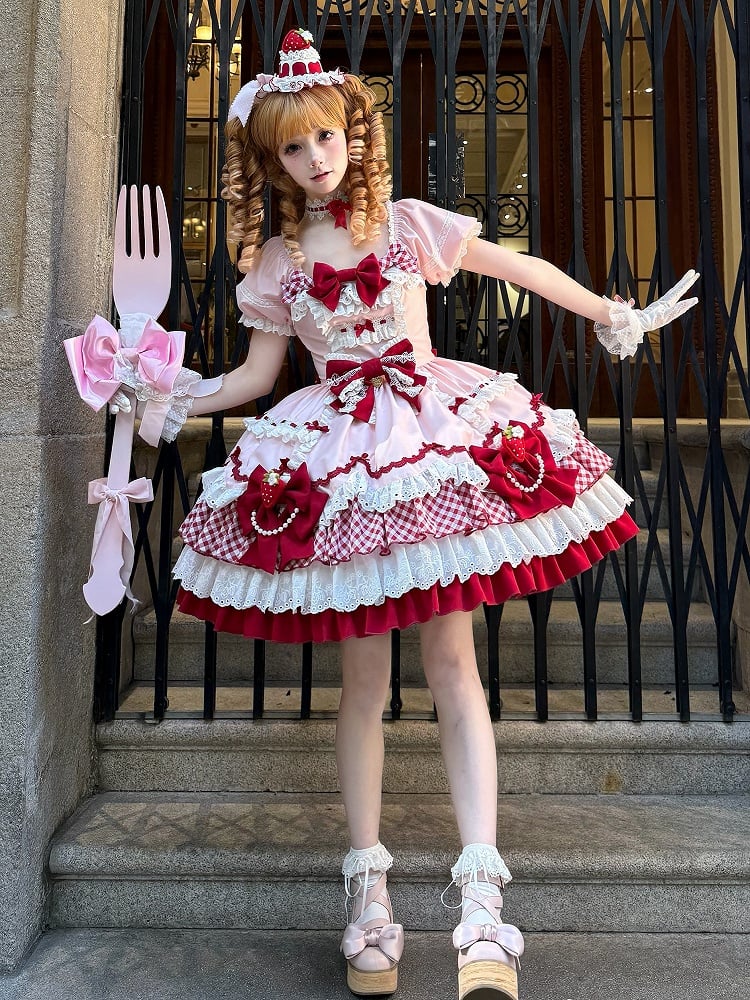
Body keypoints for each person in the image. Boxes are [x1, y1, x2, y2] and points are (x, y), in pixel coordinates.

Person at [159, 29, 697, 1000]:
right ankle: (368, 891)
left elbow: (515, 268)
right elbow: (252, 376)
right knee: (362, 683)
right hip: (344, 462)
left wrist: (612, 314)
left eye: (328, 137)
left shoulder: (407, 224)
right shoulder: (276, 264)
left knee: (454, 666)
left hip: (429, 443)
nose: (316, 158)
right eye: (293, 146)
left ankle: (481, 904)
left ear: (354, 134)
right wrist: (161, 398)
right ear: (271, 160)